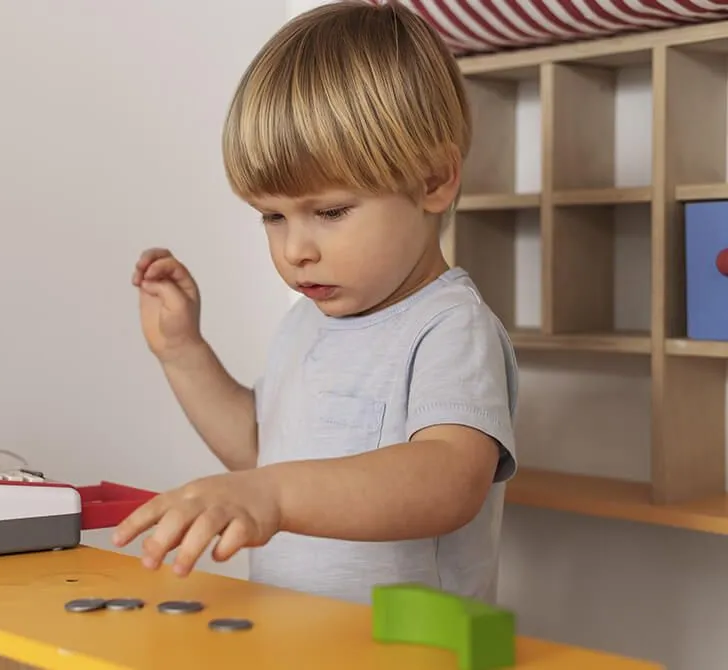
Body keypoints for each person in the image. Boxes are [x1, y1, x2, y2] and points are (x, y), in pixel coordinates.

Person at [111, 0, 519, 605]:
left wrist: (271, 496)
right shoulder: (306, 324)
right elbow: (261, 451)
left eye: (330, 212)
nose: (295, 249)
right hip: (297, 636)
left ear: (433, 180)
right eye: (272, 217)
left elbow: (450, 478)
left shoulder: (449, 326)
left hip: (409, 652)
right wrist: (183, 353)